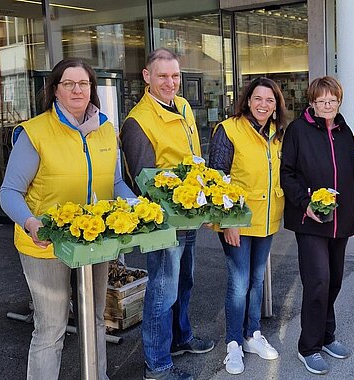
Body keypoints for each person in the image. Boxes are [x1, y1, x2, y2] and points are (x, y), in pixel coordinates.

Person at [0, 57, 136, 380]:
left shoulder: (105, 129)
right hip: (45, 243)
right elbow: (9, 192)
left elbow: (114, 183)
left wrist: (138, 207)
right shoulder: (35, 133)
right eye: (69, 84)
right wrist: (32, 224)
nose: (77, 90)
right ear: (55, 90)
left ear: (92, 89)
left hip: (94, 240)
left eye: (84, 83)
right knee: (51, 327)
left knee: (95, 318)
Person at [119, 48, 214, 380]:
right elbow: (144, 182)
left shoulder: (184, 106)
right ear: (147, 76)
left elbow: (194, 155)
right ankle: (157, 366)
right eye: (163, 76)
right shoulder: (138, 122)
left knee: (185, 281)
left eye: (175, 76)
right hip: (164, 221)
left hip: (188, 214)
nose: (170, 83)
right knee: (162, 289)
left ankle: (180, 338)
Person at [280, 76, 354, 375]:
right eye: (321, 101)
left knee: (334, 281)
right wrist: (306, 203)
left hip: (340, 220)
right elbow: (287, 174)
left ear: (339, 101)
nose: (327, 105)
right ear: (312, 102)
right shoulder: (297, 131)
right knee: (317, 281)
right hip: (311, 220)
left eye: (332, 100)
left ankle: (327, 335)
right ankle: (309, 347)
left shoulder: (345, 133)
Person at [208, 77, 287, 375]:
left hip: (266, 220)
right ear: (247, 100)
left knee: (256, 281)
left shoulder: (277, 135)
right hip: (237, 221)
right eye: (258, 98)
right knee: (239, 283)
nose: (263, 104)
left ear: (276, 105)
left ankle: (252, 334)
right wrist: (227, 222)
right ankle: (233, 344)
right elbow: (217, 179)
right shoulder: (228, 130)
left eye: (269, 100)